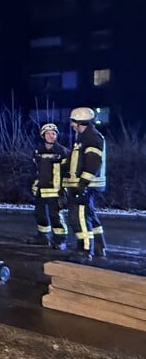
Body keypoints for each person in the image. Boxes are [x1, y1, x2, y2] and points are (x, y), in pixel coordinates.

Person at [63, 107, 107, 259]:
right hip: (87, 184)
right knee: (88, 214)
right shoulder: (86, 137)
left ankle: (85, 249)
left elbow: (93, 164)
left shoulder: (91, 139)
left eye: (73, 122)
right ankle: (99, 246)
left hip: (86, 185)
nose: (72, 125)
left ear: (79, 122)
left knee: (78, 216)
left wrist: (82, 185)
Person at [29, 123, 71, 250]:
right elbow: (35, 170)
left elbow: (67, 173)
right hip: (41, 188)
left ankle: (60, 240)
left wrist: (64, 190)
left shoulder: (63, 152)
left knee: (55, 216)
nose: (51, 136)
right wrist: (34, 185)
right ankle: (42, 237)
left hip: (56, 189)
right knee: (39, 214)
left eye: (53, 133)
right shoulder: (38, 151)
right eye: (48, 133)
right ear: (43, 135)